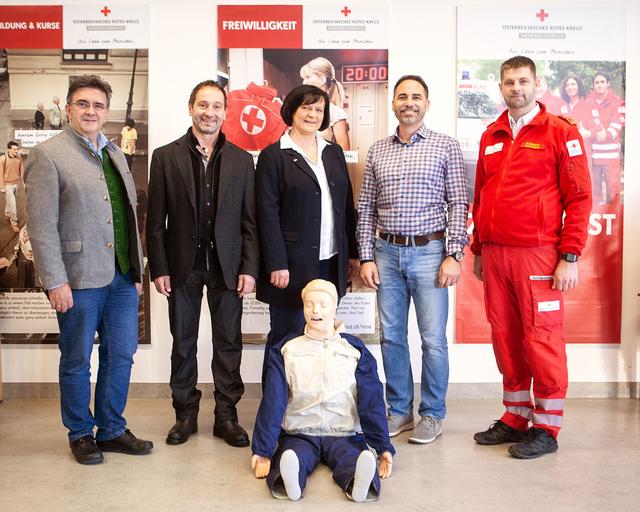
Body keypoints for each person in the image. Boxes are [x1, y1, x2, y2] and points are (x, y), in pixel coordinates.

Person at [24, 74, 152, 465]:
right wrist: (55, 281)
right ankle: (80, 432)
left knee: (121, 354)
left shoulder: (114, 152)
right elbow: (41, 225)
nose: (91, 111)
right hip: (77, 279)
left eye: (98, 105)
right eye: (83, 104)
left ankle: (111, 429)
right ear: (68, 108)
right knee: (77, 358)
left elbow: (128, 214)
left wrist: (137, 270)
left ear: (106, 111)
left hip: (120, 277)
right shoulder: (48, 154)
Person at [471, 56, 592, 459]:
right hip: (497, 254)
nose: (516, 88)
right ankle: (516, 415)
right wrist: (478, 249)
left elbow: (579, 198)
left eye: (523, 81)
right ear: (501, 87)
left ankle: (547, 427)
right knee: (505, 337)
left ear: (536, 85)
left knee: (542, 339)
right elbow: (481, 198)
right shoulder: (493, 134)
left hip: (539, 256)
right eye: (509, 82)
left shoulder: (560, 132)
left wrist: (570, 255)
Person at [146, 80, 259, 448]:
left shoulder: (242, 160)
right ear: (190, 107)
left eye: (216, 106)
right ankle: (185, 415)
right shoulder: (165, 156)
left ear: (226, 112)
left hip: (228, 267)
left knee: (228, 344)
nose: (209, 112)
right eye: (202, 105)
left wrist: (249, 267)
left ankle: (226, 416)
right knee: (184, 342)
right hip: (183, 266)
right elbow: (155, 219)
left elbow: (249, 222)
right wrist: (159, 268)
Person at [357, 75, 469, 444]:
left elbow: (458, 203)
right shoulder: (377, 150)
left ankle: (433, 414)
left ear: (427, 103)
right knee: (391, 337)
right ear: (392, 103)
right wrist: (366, 256)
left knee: (433, 339)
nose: (409, 102)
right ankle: (400, 410)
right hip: (386, 253)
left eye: (416, 96)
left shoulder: (446, 147)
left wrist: (454, 254)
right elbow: (366, 209)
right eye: (402, 96)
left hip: (430, 253)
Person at [252, 279, 394, 502]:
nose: (315, 310)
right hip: (300, 431)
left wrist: (383, 446)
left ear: (335, 307)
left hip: (343, 432)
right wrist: (262, 450)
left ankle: (358, 483)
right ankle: (289, 482)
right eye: (309, 304)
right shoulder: (287, 348)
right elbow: (273, 400)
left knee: (353, 458)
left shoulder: (354, 349)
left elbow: (371, 400)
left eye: (322, 304)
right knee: (292, 457)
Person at [255, 84, 358, 381]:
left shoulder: (333, 152)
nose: (312, 114)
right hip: (290, 265)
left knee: (322, 337)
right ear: (292, 110)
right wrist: (276, 263)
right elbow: (267, 214)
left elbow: (345, 206)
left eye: (319, 109)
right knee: (285, 337)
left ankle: (310, 407)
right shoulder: (274, 156)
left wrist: (352, 253)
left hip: (330, 261)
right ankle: (275, 412)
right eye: (306, 107)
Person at [580, 72, 625, 204]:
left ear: (608, 83)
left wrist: (608, 134)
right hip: (594, 155)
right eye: (597, 82)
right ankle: (598, 220)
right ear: (593, 85)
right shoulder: (588, 102)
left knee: (613, 192)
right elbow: (586, 123)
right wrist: (591, 133)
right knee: (595, 191)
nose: (599, 85)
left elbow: (619, 122)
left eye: (602, 82)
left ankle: (614, 221)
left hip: (610, 156)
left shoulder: (617, 101)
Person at [300, 57, 351, 151]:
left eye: (308, 77)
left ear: (322, 80)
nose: (304, 82)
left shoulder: (336, 113)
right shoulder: (300, 110)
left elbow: (345, 154)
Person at [0, 141, 24, 233]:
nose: (16, 151)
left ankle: (7, 213)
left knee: (10, 201)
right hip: (7, 185)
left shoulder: (19, 158)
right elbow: (0, 173)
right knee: (13, 205)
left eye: (17, 149)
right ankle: (13, 222)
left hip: (16, 184)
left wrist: (24, 183)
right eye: (14, 149)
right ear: (9, 149)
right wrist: (2, 186)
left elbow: (22, 170)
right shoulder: (3, 159)